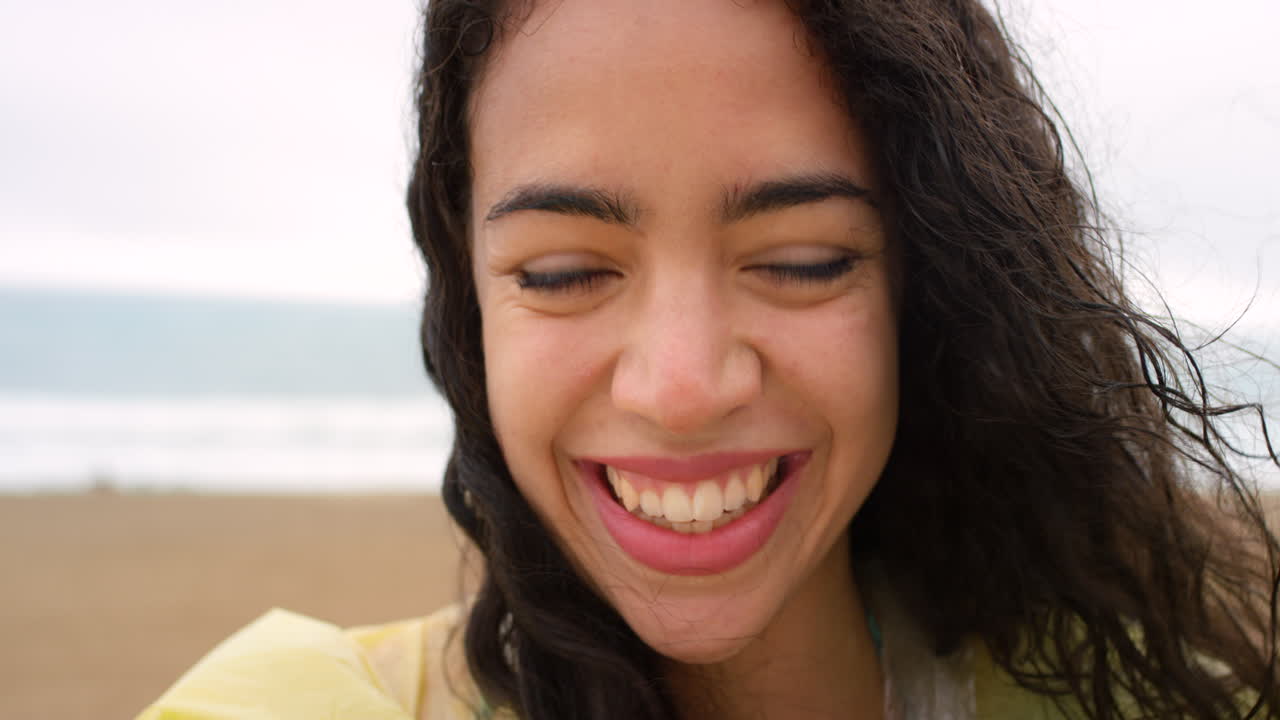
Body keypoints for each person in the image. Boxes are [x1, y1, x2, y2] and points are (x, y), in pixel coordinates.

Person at [138, 1, 1279, 718]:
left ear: (930, 287)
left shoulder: (1150, 688)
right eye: (561, 273)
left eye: (798, 260)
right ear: (466, 296)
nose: (679, 389)